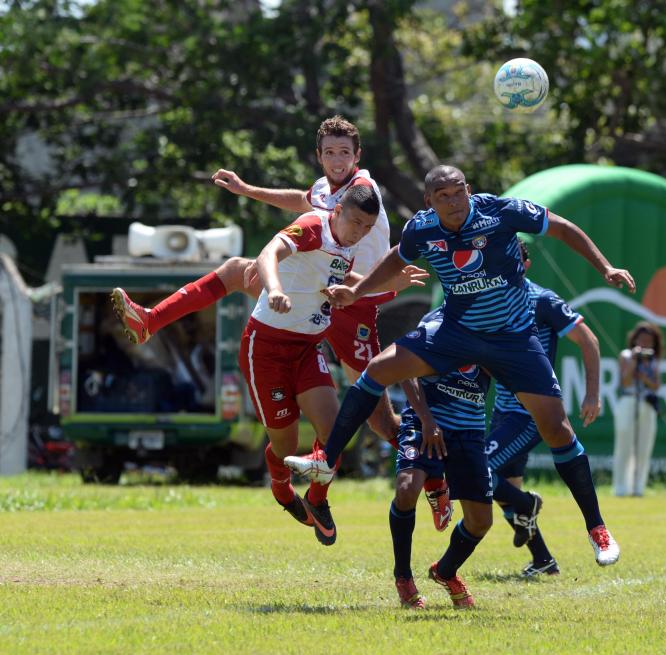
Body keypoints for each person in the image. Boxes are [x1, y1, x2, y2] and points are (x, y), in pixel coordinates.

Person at [110, 115, 452, 527]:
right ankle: (149, 320)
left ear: (357, 156)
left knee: (380, 417)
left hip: (355, 303)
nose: (337, 160)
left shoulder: (362, 189)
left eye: (345, 152)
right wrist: (247, 190)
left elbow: (311, 216)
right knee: (240, 269)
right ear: (320, 155)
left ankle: (434, 483)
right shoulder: (329, 191)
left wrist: (390, 275)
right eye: (330, 153)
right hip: (324, 291)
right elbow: (305, 203)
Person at [290, 164, 635, 568]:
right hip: (457, 331)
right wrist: (357, 290)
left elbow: (561, 227)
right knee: (378, 370)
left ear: (468, 190)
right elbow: (393, 259)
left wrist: (605, 266)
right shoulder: (423, 228)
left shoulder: (501, 212)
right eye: (443, 197)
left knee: (557, 428)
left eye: (458, 193)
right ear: (429, 202)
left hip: (512, 338)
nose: (453, 203)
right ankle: (325, 461)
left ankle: (597, 527)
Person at [236, 184, 425, 545]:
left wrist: (388, 283)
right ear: (337, 211)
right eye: (355, 222)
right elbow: (268, 253)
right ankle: (280, 487)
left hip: (307, 348)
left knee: (334, 432)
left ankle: (317, 499)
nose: (359, 233)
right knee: (285, 445)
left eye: (367, 229)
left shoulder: (346, 245)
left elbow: (342, 279)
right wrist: (274, 289)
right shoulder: (312, 226)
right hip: (266, 349)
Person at [484, 239, 602, 577]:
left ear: (526, 263)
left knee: (478, 472)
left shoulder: (543, 300)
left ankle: (530, 506)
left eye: (513, 258)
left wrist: (592, 394)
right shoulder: (490, 301)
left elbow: (589, 340)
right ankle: (543, 561)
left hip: (531, 414)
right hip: (505, 411)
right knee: (506, 486)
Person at [383, 309, 493, 609]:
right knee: (406, 490)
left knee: (481, 521)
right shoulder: (435, 321)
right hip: (426, 424)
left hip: (469, 431)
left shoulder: (495, 321)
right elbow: (405, 370)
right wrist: (427, 420)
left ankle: (445, 571)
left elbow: (509, 368)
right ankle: (403, 577)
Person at [612, 321, 664, 497]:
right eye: (641, 339)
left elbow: (656, 385)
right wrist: (634, 361)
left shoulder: (653, 359)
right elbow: (624, 381)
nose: (644, 344)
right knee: (624, 444)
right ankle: (620, 487)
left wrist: (644, 376)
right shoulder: (626, 355)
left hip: (646, 402)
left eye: (648, 340)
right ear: (635, 339)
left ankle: (638, 487)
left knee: (644, 446)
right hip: (628, 399)